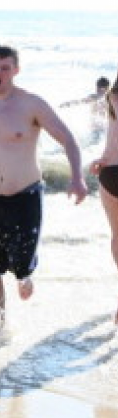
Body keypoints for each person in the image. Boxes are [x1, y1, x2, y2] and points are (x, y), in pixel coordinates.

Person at [0, 44, 86, 330]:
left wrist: (77, 177)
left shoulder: (31, 104)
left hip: (24, 197)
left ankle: (25, 274)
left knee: (21, 265)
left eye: (4, 67)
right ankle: (0, 326)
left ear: (15, 70)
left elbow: (69, 139)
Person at [88, 72, 118, 322]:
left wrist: (103, 159)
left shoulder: (112, 97)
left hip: (110, 172)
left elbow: (111, 140)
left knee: (117, 238)